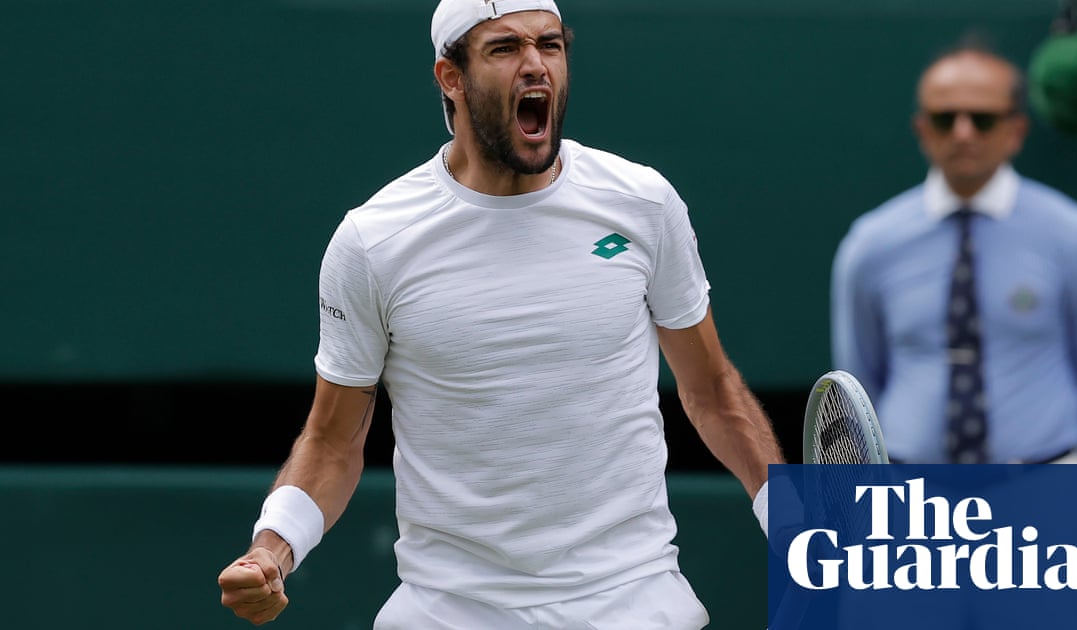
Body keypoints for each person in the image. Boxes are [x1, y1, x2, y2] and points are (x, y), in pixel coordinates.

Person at [216, 1, 785, 628]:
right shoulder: (372, 242)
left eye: (551, 44)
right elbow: (332, 440)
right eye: (505, 48)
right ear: (450, 78)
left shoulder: (643, 204)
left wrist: (795, 528)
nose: (536, 65)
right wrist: (271, 550)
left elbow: (711, 391)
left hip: (636, 603)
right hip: (449, 612)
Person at [830, 38, 1077, 465]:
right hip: (911, 489)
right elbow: (859, 377)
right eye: (945, 118)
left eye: (983, 119)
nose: (963, 133)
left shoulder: (1075, 235)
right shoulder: (872, 244)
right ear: (921, 129)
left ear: (1016, 130)